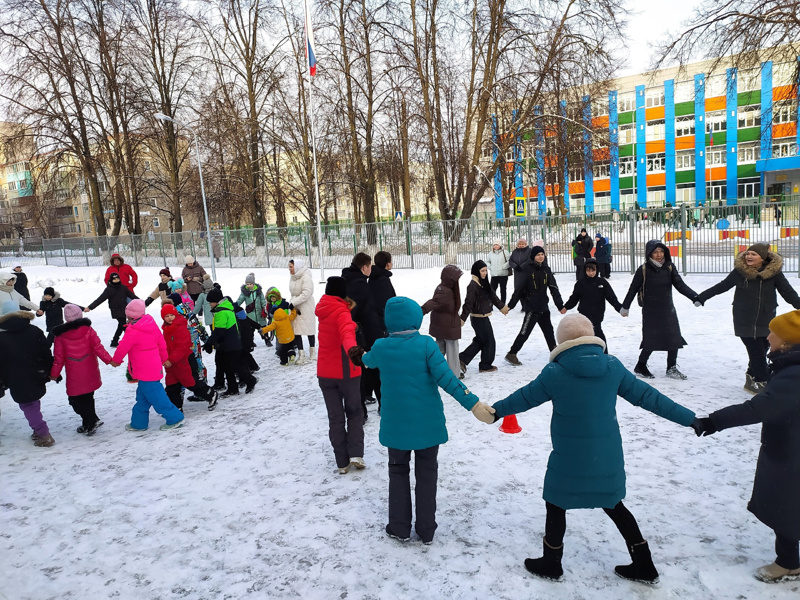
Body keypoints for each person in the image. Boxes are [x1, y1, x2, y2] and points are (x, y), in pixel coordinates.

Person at [485, 313, 698, 584]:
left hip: (569, 459)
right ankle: (644, 564)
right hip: (605, 458)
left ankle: (551, 562)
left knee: (556, 502)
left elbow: (525, 397)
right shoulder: (612, 367)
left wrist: (496, 412)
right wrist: (690, 419)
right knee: (615, 505)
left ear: (562, 341)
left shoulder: (555, 372)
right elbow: (649, 397)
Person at [362, 296, 493, 544]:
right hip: (427, 425)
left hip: (396, 426)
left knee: (398, 472)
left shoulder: (381, 347)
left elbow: (367, 360)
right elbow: (448, 379)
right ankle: (426, 529)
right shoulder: (426, 345)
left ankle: (399, 527)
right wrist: (473, 403)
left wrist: (358, 354)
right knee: (427, 474)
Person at [692, 310, 800, 583]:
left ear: (786, 343)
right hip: (790, 447)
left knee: (785, 505)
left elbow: (759, 408)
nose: (767, 336)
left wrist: (714, 421)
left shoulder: (794, 376)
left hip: (791, 454)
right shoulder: (791, 367)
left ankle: (788, 563)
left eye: (773, 332)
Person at [697, 243, 800, 394]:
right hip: (744, 318)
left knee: (762, 348)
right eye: (747, 254)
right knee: (756, 351)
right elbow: (722, 286)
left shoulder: (774, 273)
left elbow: (788, 292)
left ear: (763, 258)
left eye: (753, 254)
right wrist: (702, 297)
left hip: (766, 318)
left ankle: (751, 378)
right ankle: (765, 383)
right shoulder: (740, 272)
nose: (749, 257)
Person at [621, 240, 700, 380]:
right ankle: (641, 365)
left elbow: (680, 285)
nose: (659, 255)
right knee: (651, 339)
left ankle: (671, 368)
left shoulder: (669, 267)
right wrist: (625, 306)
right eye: (655, 252)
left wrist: (694, 296)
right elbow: (632, 289)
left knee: (673, 337)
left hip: (667, 309)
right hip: (650, 310)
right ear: (649, 253)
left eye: (661, 251)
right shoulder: (643, 269)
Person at [315, 276, 365, 474]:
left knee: (335, 417)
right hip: (346, 373)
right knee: (354, 412)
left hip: (325, 374)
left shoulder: (323, 309)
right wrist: (354, 350)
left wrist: (353, 326)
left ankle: (341, 461)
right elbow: (345, 334)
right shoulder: (342, 311)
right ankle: (355, 454)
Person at [113, 300, 185, 431]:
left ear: (130, 316)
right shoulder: (150, 324)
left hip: (145, 371)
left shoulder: (133, 330)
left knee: (157, 397)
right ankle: (138, 423)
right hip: (152, 369)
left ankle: (174, 417)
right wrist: (164, 359)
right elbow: (161, 343)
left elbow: (122, 347)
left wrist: (116, 360)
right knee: (142, 398)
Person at [50, 303, 113, 435]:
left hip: (74, 374)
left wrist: (54, 374)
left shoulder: (60, 336)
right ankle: (90, 420)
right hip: (90, 370)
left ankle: (90, 422)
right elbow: (98, 347)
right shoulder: (88, 330)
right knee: (88, 397)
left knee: (75, 400)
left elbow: (58, 358)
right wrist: (109, 360)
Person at [0, 300, 55, 447]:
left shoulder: (2, 337)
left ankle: (43, 434)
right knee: (33, 402)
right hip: (37, 373)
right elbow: (45, 351)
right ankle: (38, 429)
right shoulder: (34, 330)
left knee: (28, 404)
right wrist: (48, 369)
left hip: (16, 377)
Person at [505, 245, 563, 365]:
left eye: (542, 254)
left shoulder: (546, 269)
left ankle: (554, 353)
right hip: (532, 307)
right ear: (533, 256)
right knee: (525, 332)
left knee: (549, 331)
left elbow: (553, 288)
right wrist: (510, 306)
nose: (541, 257)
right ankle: (512, 353)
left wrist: (560, 305)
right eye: (538, 255)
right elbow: (519, 290)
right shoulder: (527, 269)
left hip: (544, 307)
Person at [341, 252, 383, 417]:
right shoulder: (358, 284)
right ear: (364, 267)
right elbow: (354, 310)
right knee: (370, 370)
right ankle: (367, 410)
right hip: (365, 335)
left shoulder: (349, 280)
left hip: (363, 334)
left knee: (366, 371)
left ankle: (364, 408)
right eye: (370, 266)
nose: (371, 269)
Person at [161, 303, 218, 412]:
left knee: (191, 382)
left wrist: (170, 360)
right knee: (172, 386)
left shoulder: (181, 327)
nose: (169, 318)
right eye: (166, 316)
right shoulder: (166, 328)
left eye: (171, 315)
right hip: (172, 363)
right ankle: (176, 407)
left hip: (184, 360)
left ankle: (210, 394)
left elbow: (182, 347)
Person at [204, 287, 257, 396]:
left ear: (216, 301)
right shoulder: (227, 308)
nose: (210, 304)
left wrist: (210, 343)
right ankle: (233, 388)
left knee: (236, 366)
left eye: (211, 302)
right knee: (227, 367)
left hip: (229, 345)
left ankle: (250, 380)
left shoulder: (221, 312)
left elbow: (219, 330)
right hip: (228, 344)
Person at [459, 260, 509, 374]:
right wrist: (462, 319)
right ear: (476, 272)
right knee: (488, 341)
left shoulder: (484, 282)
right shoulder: (473, 286)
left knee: (481, 340)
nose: (485, 273)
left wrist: (502, 307)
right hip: (477, 318)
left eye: (486, 270)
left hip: (483, 316)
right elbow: (468, 304)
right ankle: (483, 364)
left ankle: (465, 359)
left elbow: (493, 296)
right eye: (482, 271)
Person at [561, 258, 621, 352]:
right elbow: (574, 298)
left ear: (597, 270)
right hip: (584, 315)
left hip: (597, 314)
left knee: (598, 334)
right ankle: (585, 354)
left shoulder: (602, 283)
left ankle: (604, 354)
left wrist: (620, 308)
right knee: (585, 336)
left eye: (593, 270)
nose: (591, 273)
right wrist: (566, 307)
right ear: (585, 271)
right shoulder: (580, 284)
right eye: (588, 270)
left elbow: (611, 298)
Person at [422, 265, 463, 378]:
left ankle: (431, 371)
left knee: (439, 350)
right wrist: (421, 310)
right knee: (452, 351)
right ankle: (454, 375)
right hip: (448, 326)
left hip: (442, 325)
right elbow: (433, 303)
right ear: (450, 279)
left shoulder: (444, 288)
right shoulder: (446, 291)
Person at [85, 272, 138, 347]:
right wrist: (90, 307)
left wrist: (141, 303)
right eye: (114, 279)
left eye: (117, 278)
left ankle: (115, 341)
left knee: (121, 325)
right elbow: (100, 299)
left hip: (124, 309)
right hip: (115, 310)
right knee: (124, 325)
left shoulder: (123, 287)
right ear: (111, 280)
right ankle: (132, 341)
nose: (116, 280)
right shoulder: (109, 289)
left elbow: (132, 296)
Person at [235, 273, 267, 371]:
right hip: (251, 314)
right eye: (247, 284)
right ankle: (251, 342)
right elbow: (240, 300)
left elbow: (263, 300)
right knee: (250, 330)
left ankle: (266, 339)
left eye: (250, 284)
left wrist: (265, 308)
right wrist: (235, 305)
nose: (248, 286)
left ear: (253, 284)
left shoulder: (258, 292)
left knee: (263, 328)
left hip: (259, 313)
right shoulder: (245, 292)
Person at [288, 258, 317, 364]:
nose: (289, 269)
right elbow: (293, 292)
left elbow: (307, 293)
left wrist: (294, 301)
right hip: (295, 306)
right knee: (296, 330)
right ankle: (301, 354)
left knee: (309, 329)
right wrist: (292, 302)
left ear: (297, 266)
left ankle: (312, 352)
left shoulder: (306, 277)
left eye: (291, 267)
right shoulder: (293, 277)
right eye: (289, 267)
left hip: (306, 306)